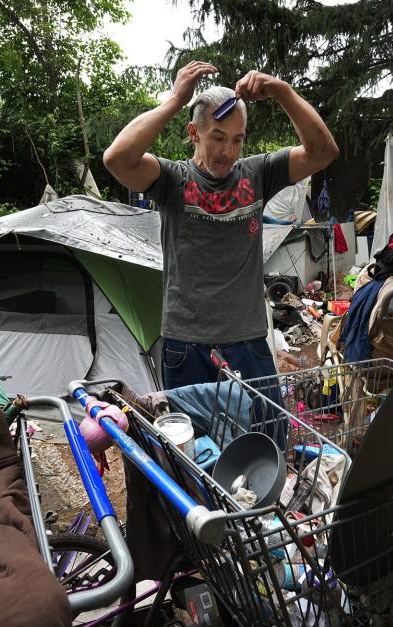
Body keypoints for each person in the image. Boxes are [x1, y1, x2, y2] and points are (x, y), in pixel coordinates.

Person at [103, 61, 338, 398]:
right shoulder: (172, 180)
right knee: (194, 448)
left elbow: (323, 152)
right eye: (218, 137)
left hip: (248, 340)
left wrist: (282, 92)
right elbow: (118, 159)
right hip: (186, 344)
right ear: (193, 133)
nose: (228, 152)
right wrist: (173, 101)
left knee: (266, 439)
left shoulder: (258, 174)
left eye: (238, 140)